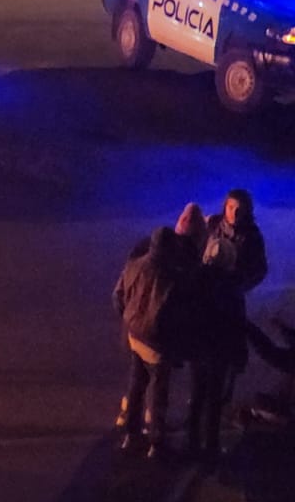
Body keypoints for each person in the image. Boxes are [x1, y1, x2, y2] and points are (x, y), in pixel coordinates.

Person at [113, 226, 196, 458]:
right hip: (156, 343)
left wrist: (129, 319)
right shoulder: (172, 278)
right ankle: (156, 443)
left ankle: (131, 434)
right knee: (158, 392)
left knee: (136, 384)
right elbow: (178, 316)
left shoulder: (135, 265)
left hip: (134, 335)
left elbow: (117, 296)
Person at [187, 236, 248, 464]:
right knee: (214, 401)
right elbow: (238, 324)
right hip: (219, 352)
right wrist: (240, 355)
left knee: (197, 397)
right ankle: (211, 447)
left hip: (198, 349)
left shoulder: (196, 280)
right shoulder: (232, 288)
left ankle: (192, 444)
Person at [205, 189, 269, 294]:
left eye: (239, 209)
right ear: (225, 207)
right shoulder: (212, 224)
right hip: (206, 289)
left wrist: (239, 286)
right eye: (230, 208)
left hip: (232, 293)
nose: (234, 213)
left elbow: (260, 270)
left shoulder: (252, 235)